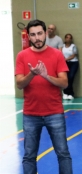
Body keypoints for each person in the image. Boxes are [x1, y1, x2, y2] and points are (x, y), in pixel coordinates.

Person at [15, 19, 73, 174]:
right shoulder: (22, 56)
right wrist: (32, 74)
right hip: (31, 114)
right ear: (29, 37)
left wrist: (46, 76)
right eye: (33, 35)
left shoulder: (57, 55)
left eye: (40, 33)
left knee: (63, 153)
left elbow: (64, 83)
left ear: (45, 33)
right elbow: (20, 84)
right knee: (29, 156)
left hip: (54, 112)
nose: (37, 38)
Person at [62, 33, 79, 100]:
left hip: (73, 63)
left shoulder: (73, 46)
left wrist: (66, 59)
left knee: (71, 77)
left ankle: (71, 93)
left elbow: (73, 55)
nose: (68, 39)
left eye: (70, 38)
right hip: (65, 64)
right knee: (65, 78)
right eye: (67, 37)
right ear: (65, 38)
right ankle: (65, 92)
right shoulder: (62, 46)